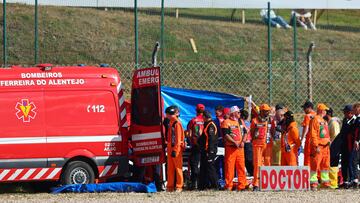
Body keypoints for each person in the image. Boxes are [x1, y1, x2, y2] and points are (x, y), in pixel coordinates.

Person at [221, 106, 247, 191]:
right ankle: (229, 185)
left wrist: (243, 141)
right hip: (230, 148)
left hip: (240, 148)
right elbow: (226, 135)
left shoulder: (240, 121)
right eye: (238, 112)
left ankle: (242, 185)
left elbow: (245, 132)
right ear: (233, 113)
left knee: (241, 167)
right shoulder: (226, 122)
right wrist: (234, 142)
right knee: (229, 168)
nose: (240, 114)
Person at [309, 103, 331, 190]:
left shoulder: (323, 120)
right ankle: (313, 183)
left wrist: (328, 141)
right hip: (318, 147)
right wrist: (316, 145)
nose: (326, 112)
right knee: (315, 165)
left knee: (325, 165)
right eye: (325, 110)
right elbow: (313, 134)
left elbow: (325, 133)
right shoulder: (315, 120)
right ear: (322, 110)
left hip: (326, 147)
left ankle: (325, 183)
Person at [250, 103, 272, 191]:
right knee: (257, 164)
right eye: (266, 111)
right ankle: (256, 184)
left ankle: (266, 183)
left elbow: (272, 130)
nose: (268, 113)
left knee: (267, 163)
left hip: (267, 145)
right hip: (257, 145)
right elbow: (252, 134)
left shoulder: (269, 120)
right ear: (262, 111)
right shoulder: (255, 121)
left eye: (268, 111)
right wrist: (255, 133)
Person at [166, 105, 185, 192]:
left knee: (178, 168)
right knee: (170, 168)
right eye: (168, 114)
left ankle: (179, 186)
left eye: (170, 114)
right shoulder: (171, 123)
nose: (168, 116)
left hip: (175, 148)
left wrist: (175, 149)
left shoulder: (177, 123)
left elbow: (178, 138)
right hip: (170, 147)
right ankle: (170, 187)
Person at [198, 110, 218, 190]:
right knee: (203, 168)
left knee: (210, 168)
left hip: (209, 150)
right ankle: (202, 186)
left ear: (205, 117)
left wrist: (210, 151)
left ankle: (215, 186)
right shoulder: (207, 125)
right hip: (205, 150)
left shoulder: (211, 125)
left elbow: (211, 140)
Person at [187, 104, 205, 190]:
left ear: (196, 110)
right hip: (205, 146)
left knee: (194, 164)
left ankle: (194, 184)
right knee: (204, 164)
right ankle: (203, 183)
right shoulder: (207, 120)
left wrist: (191, 140)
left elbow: (189, 133)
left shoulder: (193, 121)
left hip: (195, 145)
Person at [339, 105, 356, 188]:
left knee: (351, 163)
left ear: (350, 113)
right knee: (344, 163)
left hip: (351, 146)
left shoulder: (355, 121)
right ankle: (345, 180)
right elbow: (342, 132)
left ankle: (352, 180)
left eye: (345, 112)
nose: (344, 114)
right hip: (344, 145)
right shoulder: (345, 120)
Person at [325, 107, 341, 189]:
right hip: (330, 147)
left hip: (334, 147)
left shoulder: (334, 123)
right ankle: (331, 182)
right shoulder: (329, 123)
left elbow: (336, 135)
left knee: (333, 164)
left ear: (328, 114)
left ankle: (333, 183)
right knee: (330, 164)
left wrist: (331, 144)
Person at [301, 101, 316, 167]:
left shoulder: (307, 116)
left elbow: (306, 128)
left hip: (309, 139)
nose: (304, 110)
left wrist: (302, 139)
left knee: (307, 157)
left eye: (305, 108)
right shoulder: (316, 115)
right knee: (314, 157)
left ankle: (307, 173)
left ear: (310, 108)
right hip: (315, 139)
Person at [240, 109, 253, 177]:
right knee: (244, 160)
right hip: (242, 143)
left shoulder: (247, 123)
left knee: (249, 160)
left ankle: (252, 173)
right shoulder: (239, 123)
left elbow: (247, 131)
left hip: (247, 143)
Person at [351, 103, 360, 188]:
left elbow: (358, 131)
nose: (353, 111)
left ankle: (356, 180)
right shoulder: (356, 119)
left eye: (354, 109)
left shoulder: (358, 119)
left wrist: (357, 140)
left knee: (355, 160)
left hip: (358, 143)